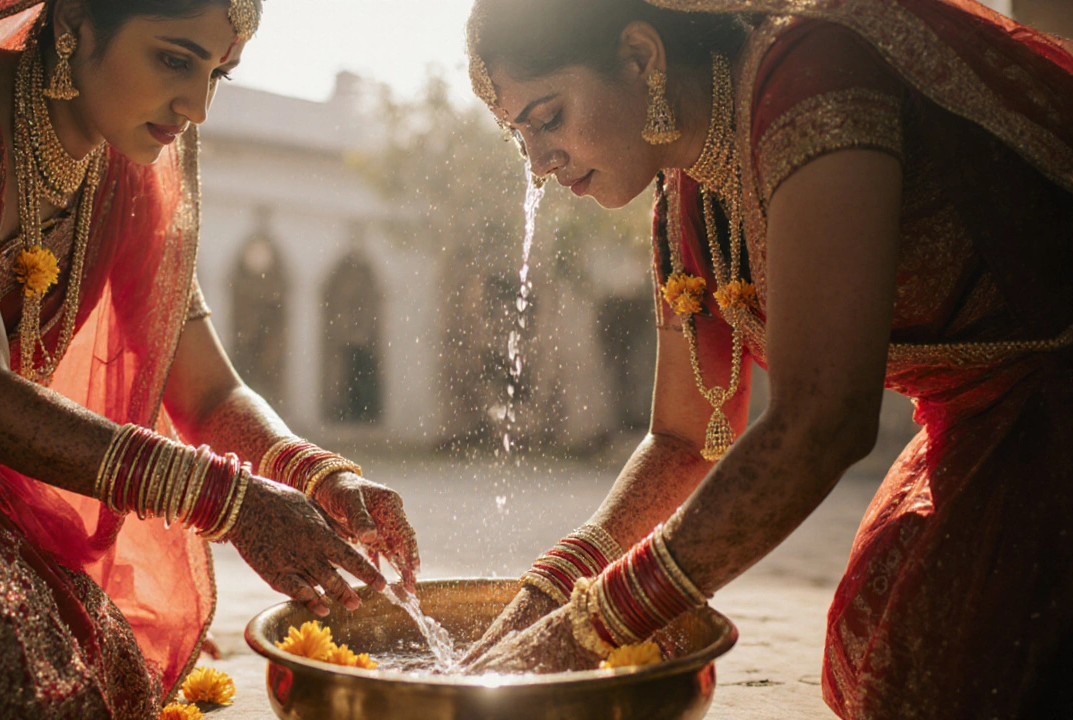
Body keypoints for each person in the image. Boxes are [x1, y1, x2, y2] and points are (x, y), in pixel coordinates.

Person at [0, 0, 420, 716]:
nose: (198, 107)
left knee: (82, 642)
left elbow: (208, 393)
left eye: (220, 73)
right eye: (175, 60)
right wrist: (227, 502)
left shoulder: (128, 155)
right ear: (74, 26)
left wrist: (317, 476)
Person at [459, 0, 1073, 717]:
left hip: (1053, 402)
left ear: (640, 57)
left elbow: (823, 421)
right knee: (879, 639)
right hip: (980, 420)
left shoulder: (811, 77)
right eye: (516, 137)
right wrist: (542, 600)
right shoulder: (686, 200)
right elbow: (685, 437)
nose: (536, 165)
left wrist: (588, 630)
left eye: (548, 117)